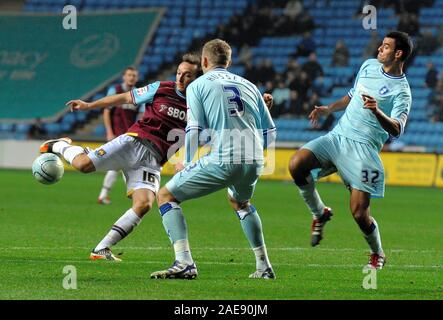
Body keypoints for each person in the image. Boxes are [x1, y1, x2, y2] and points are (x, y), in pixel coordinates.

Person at [40, 53, 202, 261]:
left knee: (144, 204)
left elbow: (196, 133)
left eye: (187, 75)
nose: (180, 78)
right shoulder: (162, 88)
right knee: (82, 165)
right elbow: (126, 97)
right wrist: (90, 105)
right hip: (133, 142)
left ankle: (101, 249)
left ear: (196, 78)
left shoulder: (199, 104)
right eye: (179, 73)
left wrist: (186, 160)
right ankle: (60, 145)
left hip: (153, 161)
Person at [150, 39, 277, 280]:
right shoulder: (249, 85)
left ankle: (184, 262)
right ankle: (264, 266)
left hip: (224, 159)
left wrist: (186, 161)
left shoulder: (197, 86)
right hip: (254, 159)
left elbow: (194, 128)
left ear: (204, 61)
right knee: (240, 203)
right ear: (228, 62)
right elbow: (269, 130)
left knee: (165, 195)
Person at [288, 31, 413, 269]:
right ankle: (319, 213)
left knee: (359, 213)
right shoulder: (368, 65)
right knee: (296, 163)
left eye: (386, 47)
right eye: (381, 45)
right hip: (337, 137)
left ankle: (378, 253)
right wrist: (328, 109)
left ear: (398, 54)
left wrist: (377, 111)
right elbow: (351, 95)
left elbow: (397, 129)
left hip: (364, 151)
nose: (379, 49)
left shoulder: (402, 92)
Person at [98, 67, 141, 205]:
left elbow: (141, 116)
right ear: (124, 77)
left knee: (119, 165)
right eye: (129, 75)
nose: (131, 78)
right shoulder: (115, 90)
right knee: (127, 165)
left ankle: (103, 195)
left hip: (130, 135)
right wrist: (109, 132)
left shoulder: (139, 93)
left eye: (134, 75)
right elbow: (106, 111)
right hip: (116, 135)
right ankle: (133, 194)